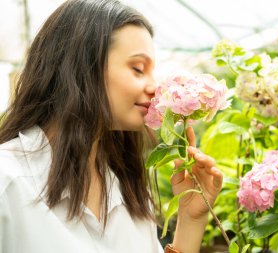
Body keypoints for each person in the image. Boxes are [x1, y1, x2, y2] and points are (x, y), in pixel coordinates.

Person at [0, 0, 223, 252]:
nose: (154, 87)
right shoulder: (8, 182)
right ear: (81, 68)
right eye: (138, 69)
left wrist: (191, 219)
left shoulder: (127, 191)